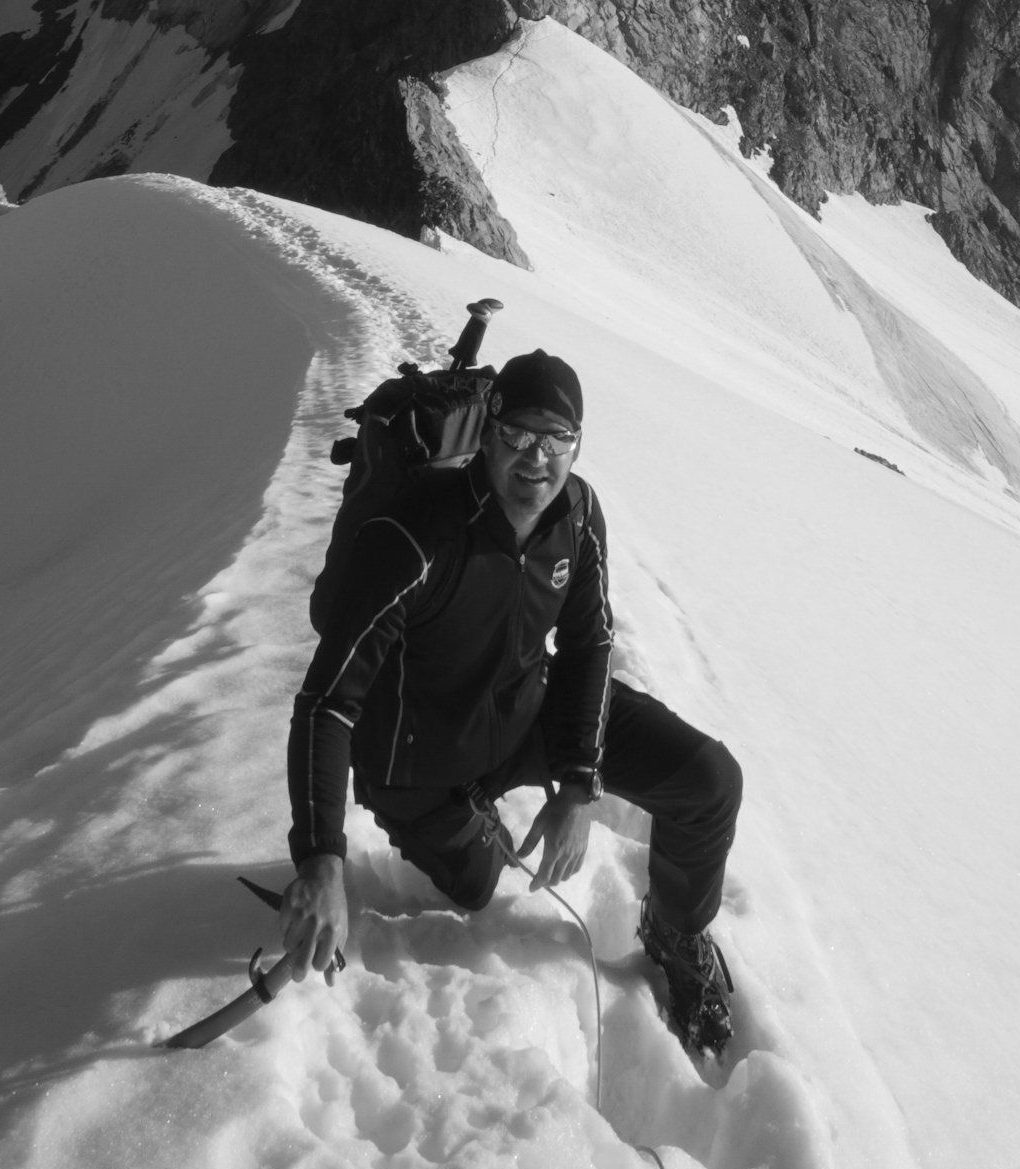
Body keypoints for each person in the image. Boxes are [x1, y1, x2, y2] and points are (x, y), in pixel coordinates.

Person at [281, 344, 742, 1053]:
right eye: (519, 436)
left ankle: (676, 933)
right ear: (487, 435)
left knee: (708, 782)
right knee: (475, 888)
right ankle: (459, 825)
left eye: (559, 440)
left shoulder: (577, 515)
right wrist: (321, 860)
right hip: (421, 761)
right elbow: (329, 704)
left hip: (527, 711)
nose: (538, 459)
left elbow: (587, 644)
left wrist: (579, 787)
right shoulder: (412, 539)